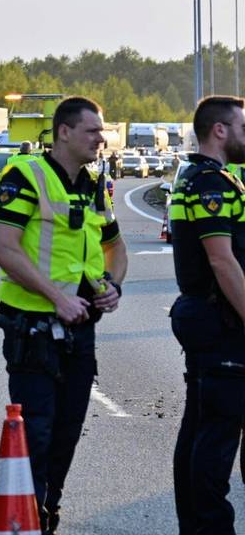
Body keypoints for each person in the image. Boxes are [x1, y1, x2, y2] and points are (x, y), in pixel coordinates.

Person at [0, 96, 127, 534]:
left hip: (80, 329)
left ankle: (47, 511)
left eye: (101, 132)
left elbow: (115, 248)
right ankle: (27, 519)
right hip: (32, 328)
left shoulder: (94, 184)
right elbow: (2, 247)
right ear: (64, 132)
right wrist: (56, 298)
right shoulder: (25, 175)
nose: (100, 140)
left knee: (68, 432)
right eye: (92, 131)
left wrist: (112, 285)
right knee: (39, 434)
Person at [170, 95, 245, 534]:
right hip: (221, 325)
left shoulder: (204, 178)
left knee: (200, 432)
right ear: (220, 130)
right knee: (215, 441)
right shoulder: (211, 184)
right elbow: (222, 262)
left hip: (211, 321)